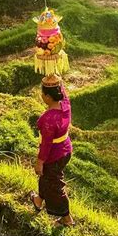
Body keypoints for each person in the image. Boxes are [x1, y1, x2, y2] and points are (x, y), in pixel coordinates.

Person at [30, 74, 74, 227]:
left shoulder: (48, 119)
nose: (41, 96)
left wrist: (39, 163)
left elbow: (46, 145)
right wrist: (53, 75)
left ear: (48, 97)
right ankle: (38, 200)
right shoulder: (65, 104)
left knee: (55, 185)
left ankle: (66, 219)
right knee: (47, 178)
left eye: (42, 94)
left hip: (53, 155)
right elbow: (63, 91)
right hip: (66, 150)